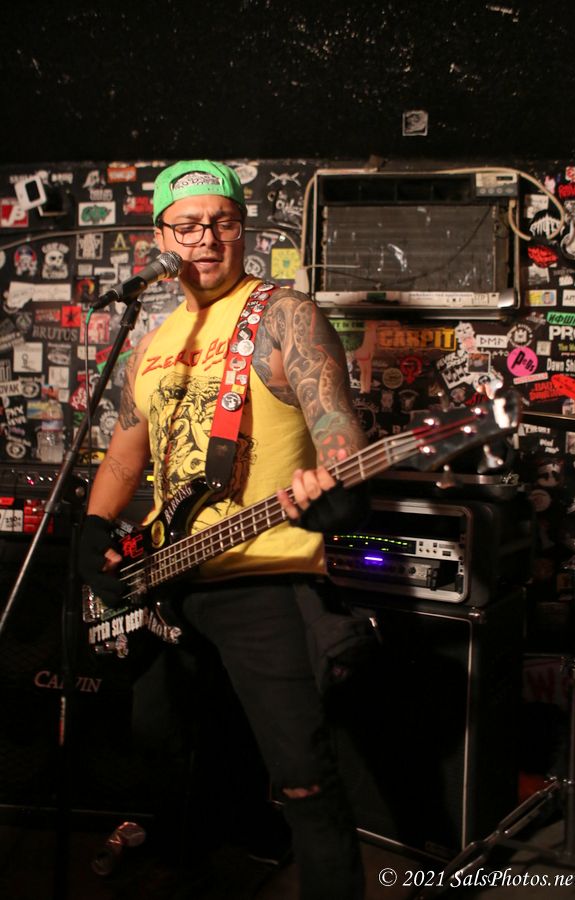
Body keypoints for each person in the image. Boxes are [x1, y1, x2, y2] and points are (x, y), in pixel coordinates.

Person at [78, 160, 369, 899]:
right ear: (160, 236)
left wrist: (338, 491)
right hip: (164, 578)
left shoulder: (283, 315)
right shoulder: (150, 340)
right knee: (167, 758)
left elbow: (338, 434)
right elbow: (126, 452)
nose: (206, 239)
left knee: (303, 778)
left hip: (263, 579)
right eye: (188, 225)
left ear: (242, 229)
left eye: (223, 222)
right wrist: (95, 528)